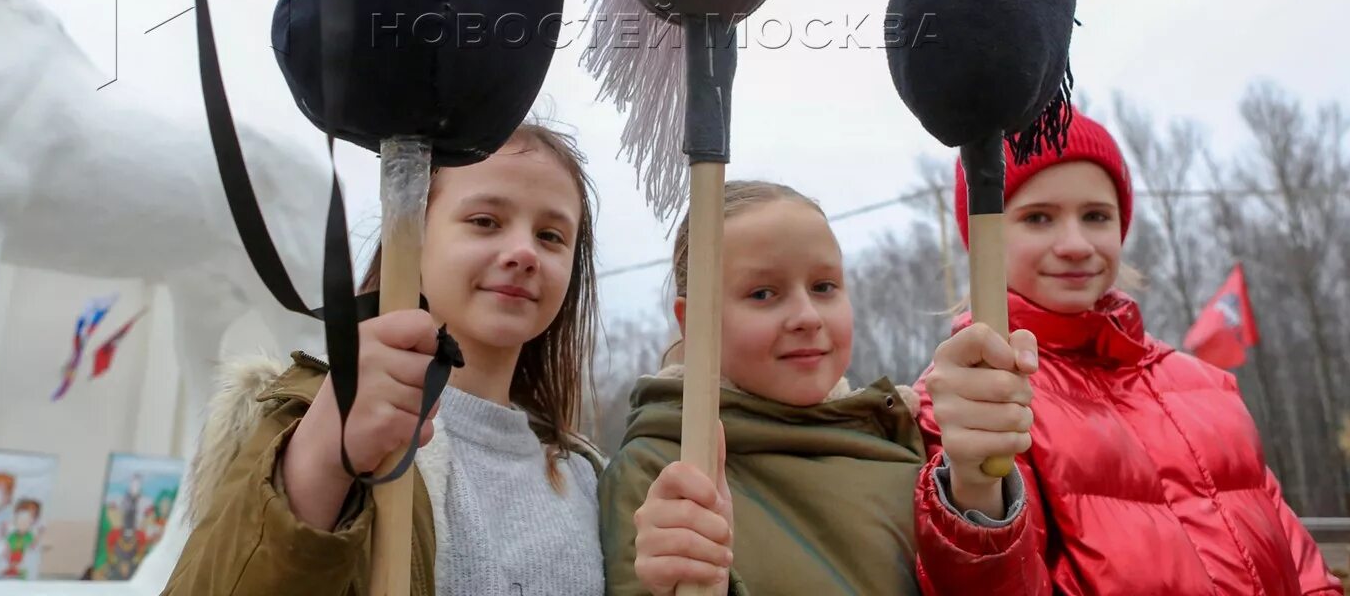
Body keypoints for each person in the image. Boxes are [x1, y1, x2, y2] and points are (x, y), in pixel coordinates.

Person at [164, 120, 604, 596]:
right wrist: (317, 465)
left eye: (551, 236)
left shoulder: (589, 478)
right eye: (485, 221)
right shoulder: (307, 422)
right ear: (409, 236)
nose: (524, 252)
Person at [915, 112, 1340, 595]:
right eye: (1038, 217)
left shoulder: (1206, 385)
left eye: (1096, 215)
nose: (1076, 244)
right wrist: (973, 492)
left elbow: (1303, 568)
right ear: (985, 237)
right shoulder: (971, 398)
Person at [603, 181, 928, 596]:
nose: (807, 316)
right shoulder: (663, 472)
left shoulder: (903, 446)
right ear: (694, 321)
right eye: (763, 294)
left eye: (824, 287)